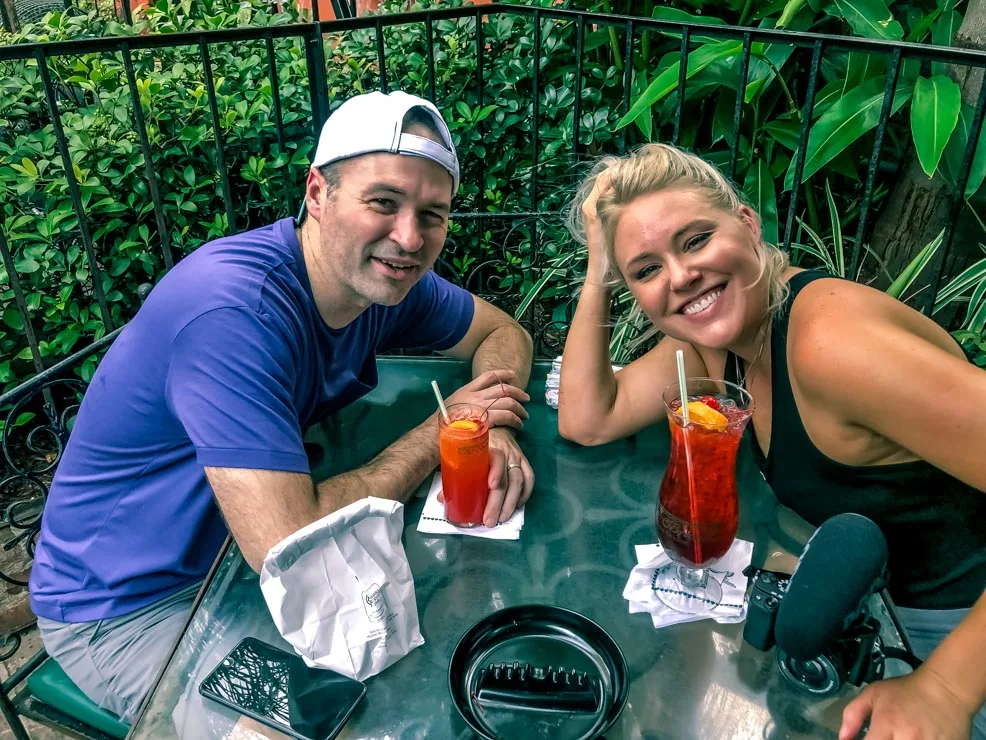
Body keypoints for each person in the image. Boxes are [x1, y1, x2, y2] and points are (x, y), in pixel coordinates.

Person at [28, 90, 536, 722]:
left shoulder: (385, 280)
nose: (409, 237)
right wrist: (441, 430)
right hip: (131, 606)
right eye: (383, 202)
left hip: (239, 570)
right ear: (318, 194)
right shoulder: (234, 313)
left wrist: (487, 422)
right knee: (297, 727)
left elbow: (504, 333)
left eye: (432, 214)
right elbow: (291, 541)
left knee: (423, 658)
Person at [557, 143, 986, 740]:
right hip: (871, 610)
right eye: (646, 270)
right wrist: (597, 269)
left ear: (747, 221)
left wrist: (947, 689)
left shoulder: (829, 345)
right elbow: (588, 418)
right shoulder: (720, 344)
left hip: (959, 632)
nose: (681, 277)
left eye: (696, 239)